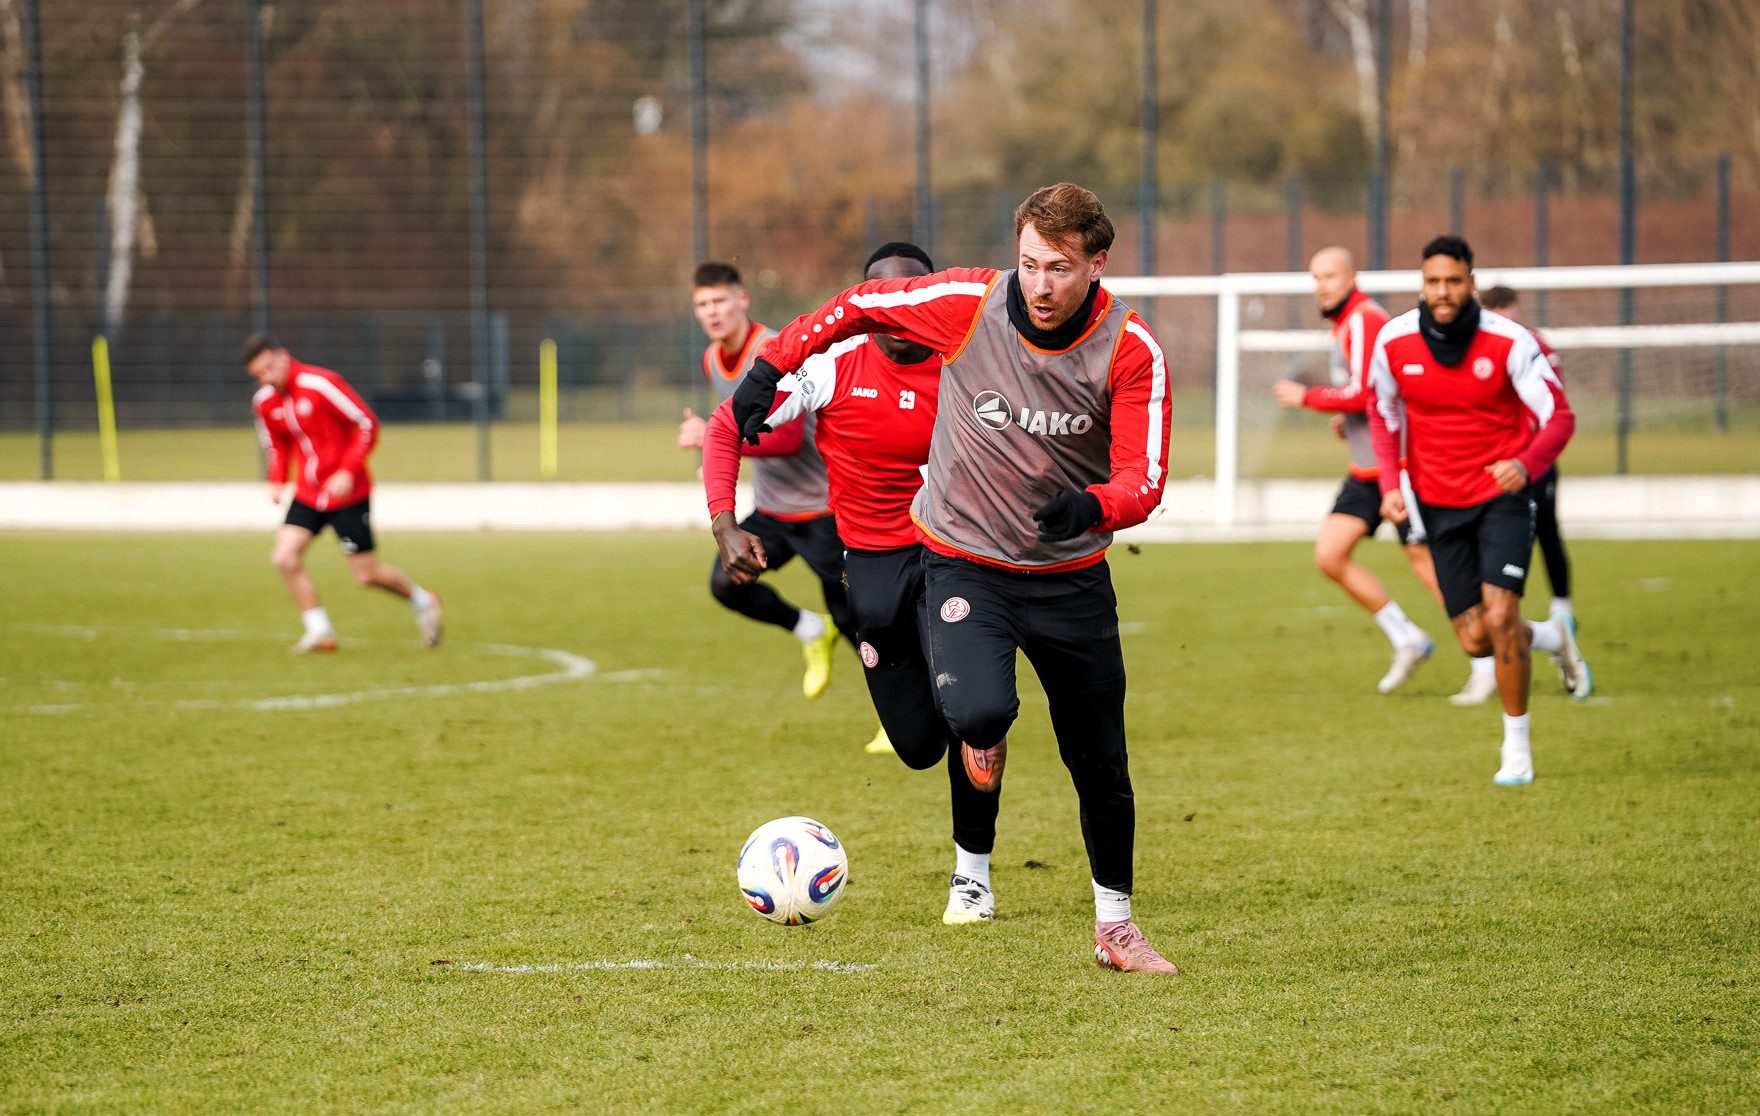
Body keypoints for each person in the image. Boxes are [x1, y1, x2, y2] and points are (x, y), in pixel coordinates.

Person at [733, 184, 1178, 973]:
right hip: (966, 558)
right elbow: (860, 303)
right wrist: (771, 366)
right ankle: (976, 829)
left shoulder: (1132, 350)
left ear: (1096, 264)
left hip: (1071, 577)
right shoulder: (969, 301)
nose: (1040, 285)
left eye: (1060, 269)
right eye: (1030, 264)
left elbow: (1145, 480)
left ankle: (1116, 927)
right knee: (978, 711)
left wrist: (1093, 506)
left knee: (1100, 760)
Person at [704, 242, 1001, 924]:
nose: (896, 316)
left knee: (975, 714)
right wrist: (725, 524)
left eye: (910, 298)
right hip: (870, 567)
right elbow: (728, 428)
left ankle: (972, 877)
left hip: (958, 556)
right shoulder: (830, 366)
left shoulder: (974, 364)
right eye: (879, 303)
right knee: (920, 747)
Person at [1367, 237, 1592, 787]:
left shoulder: (1510, 341)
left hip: (1502, 499)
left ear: (1471, 283)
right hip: (1437, 504)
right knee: (1475, 639)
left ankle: (1516, 749)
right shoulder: (1394, 340)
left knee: (1499, 615)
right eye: (1433, 282)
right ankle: (1553, 639)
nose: (1442, 292)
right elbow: (1382, 408)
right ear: (1421, 284)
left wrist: (1526, 463)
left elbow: (1558, 416)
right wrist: (1392, 482)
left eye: (1454, 281)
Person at [1273, 245, 1458, 696]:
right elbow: (1366, 396)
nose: (1322, 285)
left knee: (1431, 568)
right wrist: (1347, 419)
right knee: (1330, 555)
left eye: (1330, 276)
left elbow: (1369, 391)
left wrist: (1309, 397)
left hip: (1397, 467)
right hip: (1366, 469)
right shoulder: (1346, 323)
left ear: (1352, 276)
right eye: (1316, 277)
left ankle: (1492, 655)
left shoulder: (1365, 319)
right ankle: (1408, 637)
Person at [678, 261, 854, 701]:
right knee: (727, 582)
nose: (712, 311)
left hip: (823, 509)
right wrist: (715, 450)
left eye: (720, 300)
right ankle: (810, 630)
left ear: (742, 299)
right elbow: (740, 432)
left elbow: (787, 438)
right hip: (774, 511)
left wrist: (712, 440)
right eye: (702, 304)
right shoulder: (712, 359)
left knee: (860, 620)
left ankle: (899, 720)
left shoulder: (773, 349)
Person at [245, 335, 442, 653]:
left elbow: (366, 423)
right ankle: (318, 628)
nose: (267, 378)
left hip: (347, 494)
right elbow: (275, 444)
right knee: (285, 557)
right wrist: (277, 479)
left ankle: (423, 600)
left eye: (270, 368)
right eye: (259, 375)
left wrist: (347, 470)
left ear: (283, 356)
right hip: (309, 493)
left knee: (366, 575)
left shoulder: (320, 383)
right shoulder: (264, 402)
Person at [1478, 285, 1576, 654]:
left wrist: (1532, 453)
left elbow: (1555, 405)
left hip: (1534, 459)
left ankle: (1561, 609)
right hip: (1495, 464)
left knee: (1547, 530)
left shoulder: (1534, 344)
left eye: (1508, 308)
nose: (1505, 316)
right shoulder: (1480, 345)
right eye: (1496, 309)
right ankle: (1509, 627)